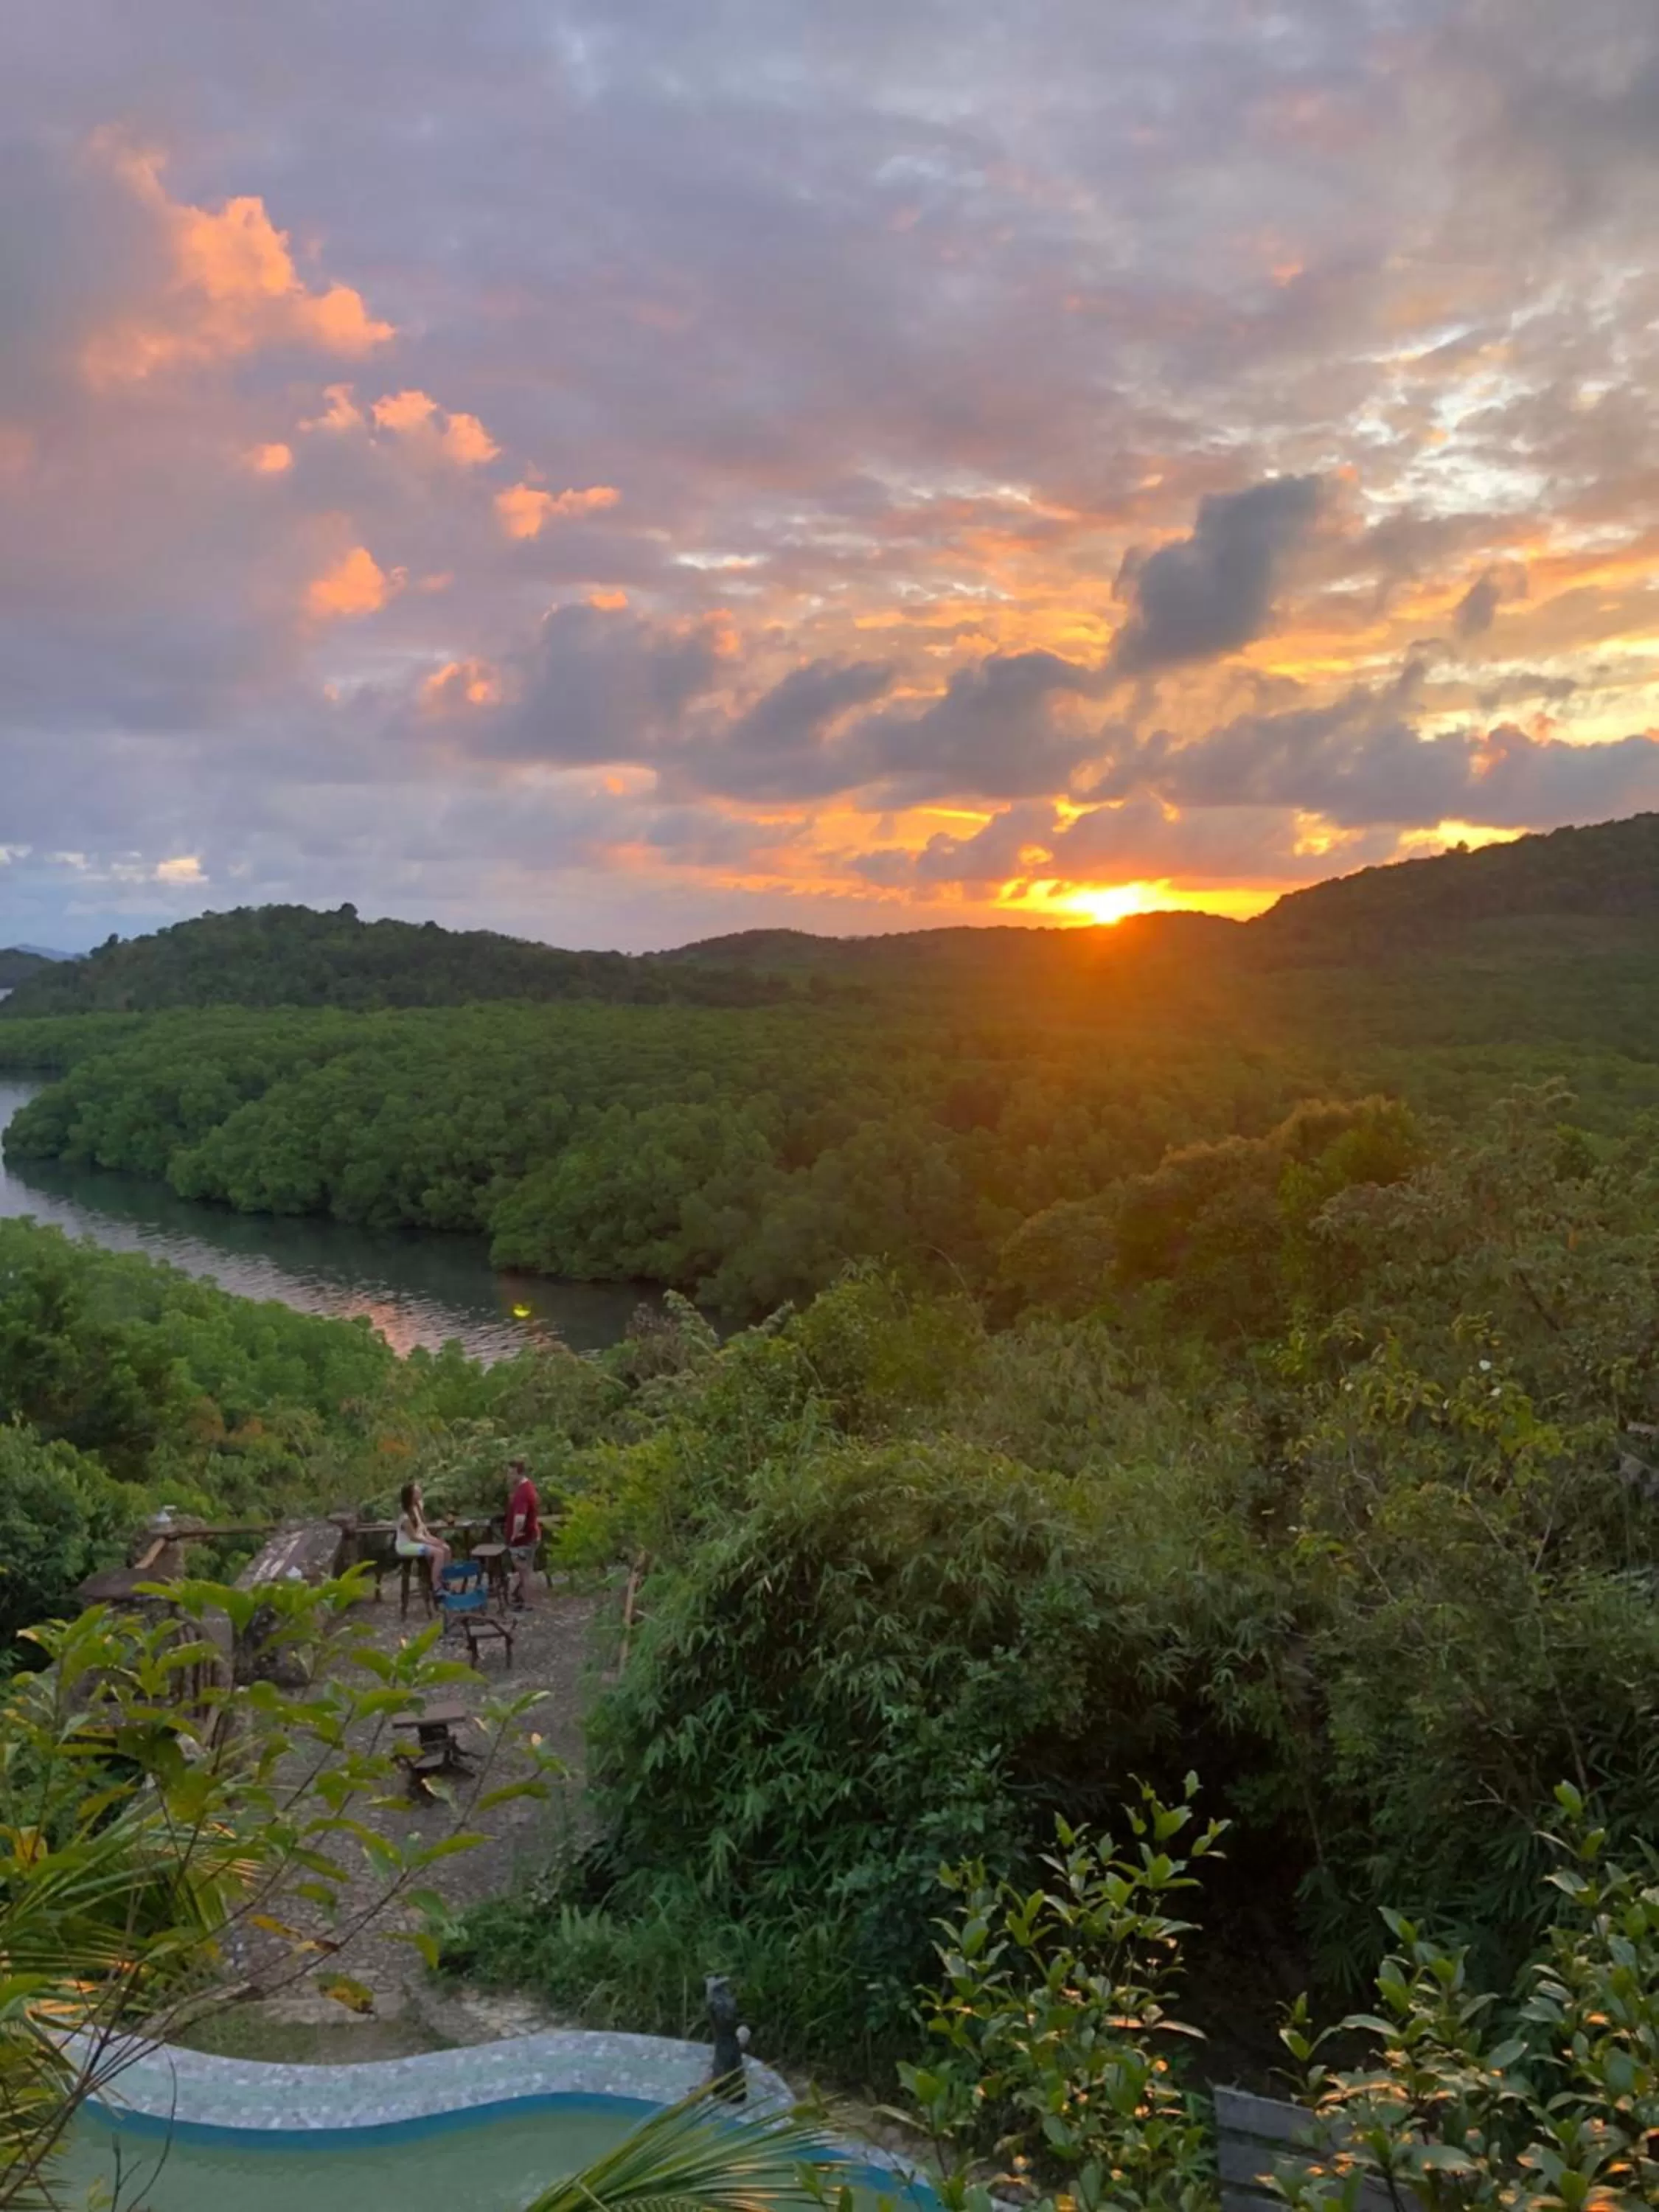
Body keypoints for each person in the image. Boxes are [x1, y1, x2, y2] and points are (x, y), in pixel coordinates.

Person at [395, 1481, 451, 1583]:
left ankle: (444, 1579)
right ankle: (437, 1586)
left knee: (446, 1548)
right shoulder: (405, 1515)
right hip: (407, 1545)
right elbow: (414, 1537)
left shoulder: (417, 1509)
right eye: (417, 1491)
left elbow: (424, 1531)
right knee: (438, 1553)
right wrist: (432, 1543)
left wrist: (436, 1541)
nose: (420, 1492)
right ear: (411, 1495)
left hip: (420, 1541)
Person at [504, 1459, 540, 1610]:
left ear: (518, 1472)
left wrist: (514, 1535)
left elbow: (520, 1518)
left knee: (523, 1570)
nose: (508, 1475)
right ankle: (520, 1597)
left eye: (510, 1472)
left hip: (523, 1538)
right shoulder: (528, 1486)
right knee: (525, 1570)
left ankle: (527, 1603)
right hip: (531, 1534)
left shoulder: (522, 1493)